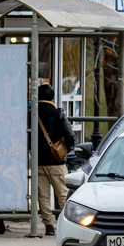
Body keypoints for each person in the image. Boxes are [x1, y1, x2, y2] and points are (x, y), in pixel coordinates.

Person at [35, 83, 75, 237]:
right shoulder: (58, 113)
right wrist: (65, 149)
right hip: (57, 162)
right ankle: (67, 225)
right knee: (63, 195)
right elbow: (70, 136)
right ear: (52, 97)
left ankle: (49, 225)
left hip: (38, 162)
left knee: (43, 196)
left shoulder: (32, 114)